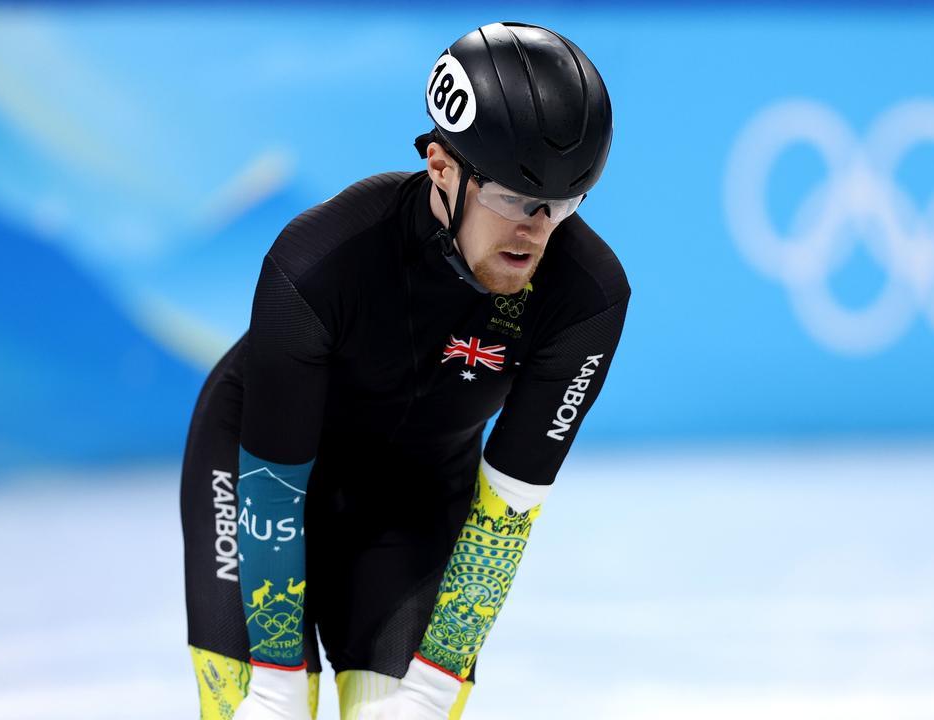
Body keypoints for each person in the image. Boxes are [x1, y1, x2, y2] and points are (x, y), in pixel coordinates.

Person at [179, 21, 628, 720]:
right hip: (259, 479)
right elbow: (271, 503)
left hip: (414, 503)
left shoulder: (586, 299)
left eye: (564, 204)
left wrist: (431, 687)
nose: (536, 229)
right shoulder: (317, 265)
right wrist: (272, 686)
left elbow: (505, 516)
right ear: (441, 167)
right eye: (512, 197)